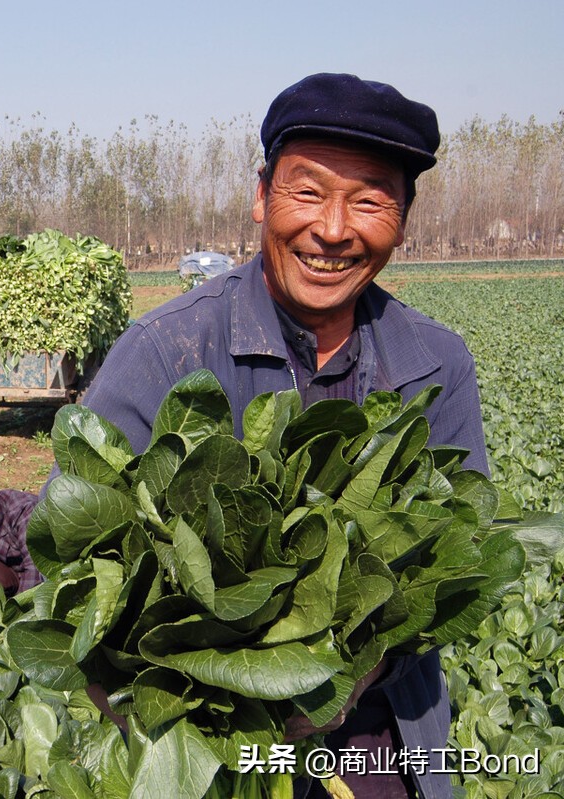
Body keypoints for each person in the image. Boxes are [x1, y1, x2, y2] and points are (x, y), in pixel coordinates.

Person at [72, 74, 472, 799]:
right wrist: (206, 700)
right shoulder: (167, 352)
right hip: (207, 757)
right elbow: (74, 572)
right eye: (309, 191)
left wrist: (343, 673)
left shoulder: (435, 364)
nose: (333, 228)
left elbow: (456, 563)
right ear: (262, 195)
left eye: (372, 199)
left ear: (405, 218)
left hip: (379, 745)